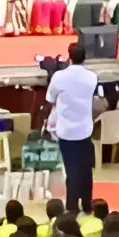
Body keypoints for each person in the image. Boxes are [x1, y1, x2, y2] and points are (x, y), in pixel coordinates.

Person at [45, 43, 100, 204]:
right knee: (85, 170)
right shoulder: (91, 77)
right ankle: (87, 203)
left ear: (69, 56)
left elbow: (50, 100)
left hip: (66, 131)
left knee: (71, 170)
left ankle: (72, 205)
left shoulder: (59, 77)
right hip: (84, 130)